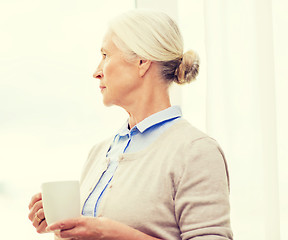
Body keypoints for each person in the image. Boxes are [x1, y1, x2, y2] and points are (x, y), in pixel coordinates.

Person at [28, 9, 233, 240]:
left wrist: (113, 233)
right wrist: (64, 226)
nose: (96, 72)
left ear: (142, 61)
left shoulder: (195, 151)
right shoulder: (99, 153)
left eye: (105, 55)